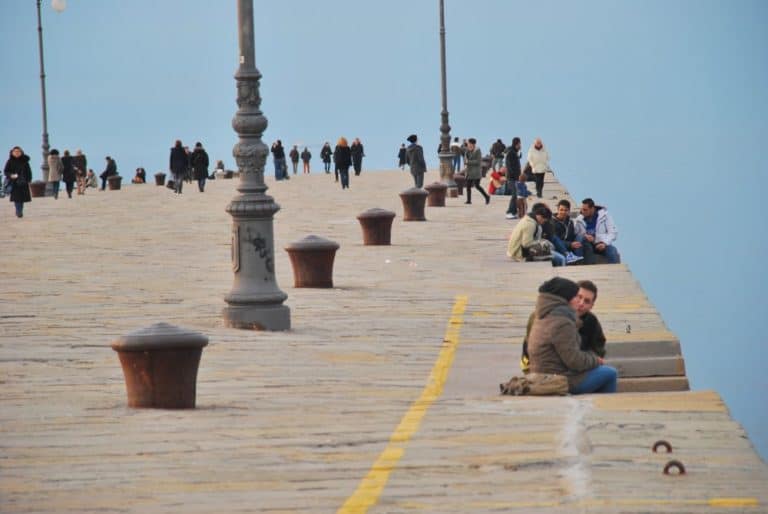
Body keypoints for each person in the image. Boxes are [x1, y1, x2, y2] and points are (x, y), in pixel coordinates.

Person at [527, 277, 617, 394]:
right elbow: (574, 360)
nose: (579, 302)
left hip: (542, 373)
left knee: (598, 371)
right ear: (566, 298)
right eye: (577, 297)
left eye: (586, 301)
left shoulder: (543, 315)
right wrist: (595, 360)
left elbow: (596, 346)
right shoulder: (562, 323)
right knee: (610, 373)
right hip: (558, 379)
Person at [521, 279, 606, 373]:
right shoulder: (540, 316)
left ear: (591, 306)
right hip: (543, 370)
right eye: (579, 297)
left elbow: (598, 348)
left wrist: (588, 360)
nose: (581, 303)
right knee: (609, 374)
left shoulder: (591, 321)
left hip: (577, 367)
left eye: (586, 301)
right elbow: (528, 348)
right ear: (571, 297)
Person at [574, 198, 620, 264]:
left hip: (602, 243)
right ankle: (579, 264)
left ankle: (615, 272)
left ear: (592, 209)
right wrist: (585, 235)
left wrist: (604, 243)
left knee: (612, 251)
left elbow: (613, 233)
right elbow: (576, 233)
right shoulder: (579, 219)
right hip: (587, 244)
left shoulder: (604, 216)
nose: (582, 211)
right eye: (582, 209)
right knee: (587, 248)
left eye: (585, 210)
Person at [548, 199, 585, 265]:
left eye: (566, 210)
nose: (563, 212)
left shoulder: (570, 222)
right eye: (561, 210)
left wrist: (574, 242)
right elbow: (555, 241)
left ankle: (577, 260)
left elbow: (571, 236)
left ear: (569, 211)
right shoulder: (552, 222)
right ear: (558, 210)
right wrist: (570, 244)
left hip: (568, 246)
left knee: (580, 237)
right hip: (558, 247)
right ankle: (575, 260)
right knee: (557, 239)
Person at [4, 146, 32, 218]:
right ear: (12, 153)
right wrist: (11, 175)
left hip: (23, 182)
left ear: (21, 152)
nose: (16, 153)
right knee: (16, 198)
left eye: (18, 152)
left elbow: (28, 171)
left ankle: (20, 211)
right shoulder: (10, 161)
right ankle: (18, 211)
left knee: (21, 199)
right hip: (14, 182)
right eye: (15, 152)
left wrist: (29, 179)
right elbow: (6, 171)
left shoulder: (25, 161)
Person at [464, 138, 490, 205]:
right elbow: (465, 158)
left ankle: (487, 197)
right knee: (468, 186)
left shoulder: (477, 150)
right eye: (468, 143)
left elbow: (478, 161)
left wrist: (469, 162)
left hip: (476, 172)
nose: (468, 144)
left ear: (472, 144)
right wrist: (467, 153)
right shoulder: (467, 150)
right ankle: (468, 200)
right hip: (469, 171)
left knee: (477, 186)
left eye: (469, 143)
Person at [504, 137, 522, 219]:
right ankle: (509, 212)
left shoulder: (514, 152)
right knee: (514, 194)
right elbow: (509, 166)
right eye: (519, 144)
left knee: (516, 194)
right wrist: (515, 176)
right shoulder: (511, 152)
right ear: (516, 144)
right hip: (511, 177)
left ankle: (514, 212)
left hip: (515, 177)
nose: (520, 146)